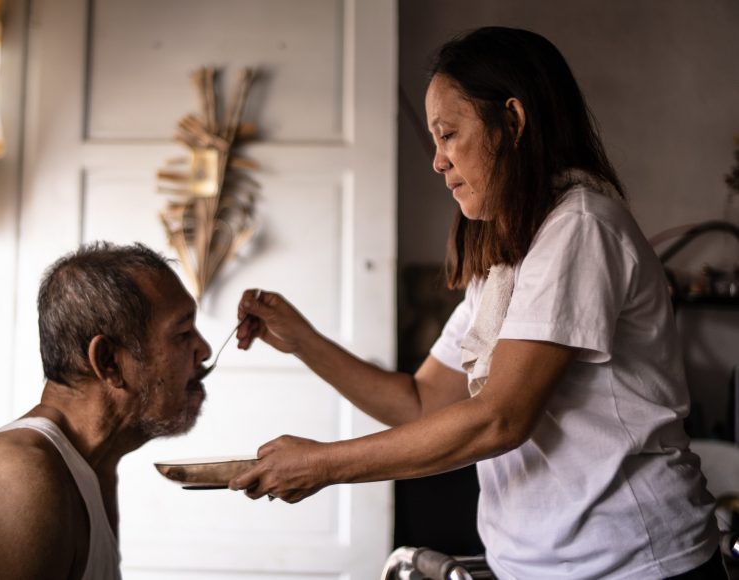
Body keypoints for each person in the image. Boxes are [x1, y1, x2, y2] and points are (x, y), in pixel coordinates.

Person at [228, 27, 724, 579]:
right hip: (536, 566)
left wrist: (323, 464)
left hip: (633, 564)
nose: (438, 161)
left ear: (512, 121)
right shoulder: (506, 261)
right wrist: (302, 342)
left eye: (449, 134)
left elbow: (500, 419)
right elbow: (422, 404)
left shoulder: (580, 228)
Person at [0, 242, 211, 580]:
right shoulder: (19, 480)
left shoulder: (93, 468)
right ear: (109, 362)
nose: (204, 350)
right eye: (183, 334)